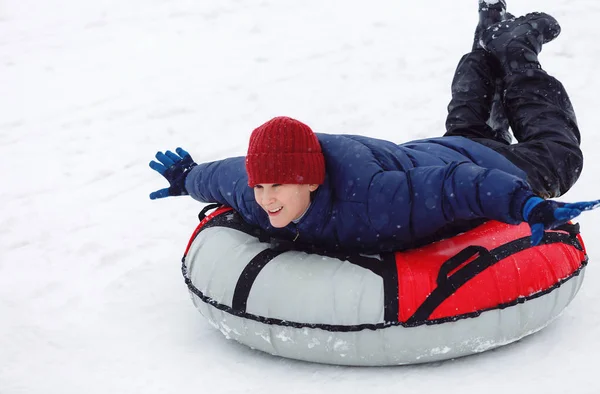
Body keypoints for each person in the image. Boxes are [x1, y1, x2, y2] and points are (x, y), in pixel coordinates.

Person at [149, 3, 599, 254]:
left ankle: (517, 50)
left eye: (280, 184)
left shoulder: (372, 199)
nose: (266, 197)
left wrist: (528, 205)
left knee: (560, 156)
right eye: (261, 183)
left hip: (483, 165)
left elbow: (456, 185)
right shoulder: (257, 195)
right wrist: (187, 176)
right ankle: (485, 47)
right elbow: (223, 176)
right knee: (469, 125)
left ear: (308, 179)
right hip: (438, 152)